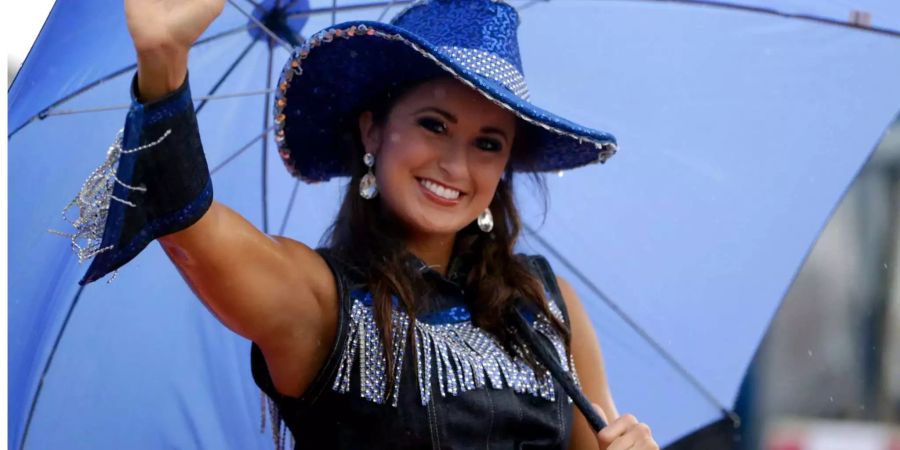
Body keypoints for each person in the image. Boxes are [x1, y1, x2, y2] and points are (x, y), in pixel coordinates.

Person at [65, 0, 659, 448]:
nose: (456, 165)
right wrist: (164, 63)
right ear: (373, 130)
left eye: (487, 142)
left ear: (505, 165)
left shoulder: (546, 301)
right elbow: (190, 227)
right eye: (433, 124)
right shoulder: (320, 299)